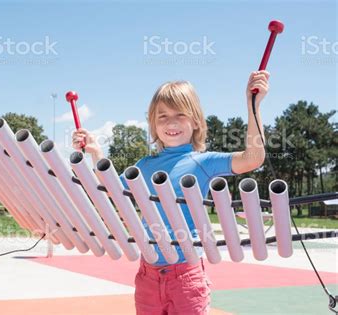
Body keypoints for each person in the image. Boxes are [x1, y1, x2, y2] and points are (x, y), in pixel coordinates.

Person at [72, 71, 269, 314]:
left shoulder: (204, 162)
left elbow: (253, 158)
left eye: (180, 115)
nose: (170, 122)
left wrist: (253, 106)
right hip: (148, 274)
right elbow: (114, 192)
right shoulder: (143, 165)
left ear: (196, 121)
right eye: (162, 116)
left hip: (186, 275)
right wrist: (95, 152)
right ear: (153, 123)